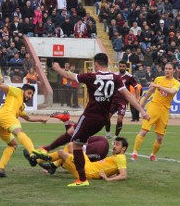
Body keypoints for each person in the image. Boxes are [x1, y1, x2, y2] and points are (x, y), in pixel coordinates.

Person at [52, 53, 149, 187]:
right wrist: (143, 112)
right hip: (103, 119)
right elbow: (128, 95)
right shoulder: (116, 78)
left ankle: (81, 179)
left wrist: (57, 68)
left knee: (76, 144)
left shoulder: (91, 76)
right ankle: (66, 167)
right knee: (78, 141)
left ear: (96, 63)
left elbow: (69, 76)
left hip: (90, 116)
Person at [0, 66, 49, 178]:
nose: (30, 96)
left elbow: (28, 118)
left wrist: (40, 119)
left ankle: (0, 168)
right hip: (6, 115)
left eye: (31, 95)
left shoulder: (21, 106)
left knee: (13, 144)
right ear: (23, 90)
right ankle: (32, 153)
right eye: (29, 93)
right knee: (20, 132)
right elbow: (0, 85)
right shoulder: (17, 91)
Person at [131, 62, 180, 162]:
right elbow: (150, 91)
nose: (167, 70)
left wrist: (158, 87)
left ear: (173, 70)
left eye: (169, 69)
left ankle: (153, 154)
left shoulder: (176, 83)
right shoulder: (159, 79)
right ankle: (134, 153)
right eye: (166, 68)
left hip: (165, 111)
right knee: (144, 130)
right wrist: (143, 103)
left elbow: (171, 92)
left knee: (160, 137)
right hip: (154, 107)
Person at [41, 137, 130, 182]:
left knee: (61, 152)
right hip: (87, 165)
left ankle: (44, 161)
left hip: (85, 171)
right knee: (71, 145)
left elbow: (123, 175)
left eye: (117, 145)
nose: (114, 146)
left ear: (123, 148)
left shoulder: (120, 157)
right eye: (114, 144)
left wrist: (108, 179)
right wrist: (108, 175)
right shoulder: (117, 158)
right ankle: (52, 166)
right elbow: (118, 173)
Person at [105, 61, 140, 139]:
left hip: (123, 101)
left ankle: (116, 136)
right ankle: (108, 132)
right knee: (107, 116)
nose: (121, 68)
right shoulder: (115, 75)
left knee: (120, 119)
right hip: (113, 100)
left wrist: (137, 98)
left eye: (123, 66)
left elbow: (136, 87)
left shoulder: (129, 77)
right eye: (120, 66)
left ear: (126, 67)